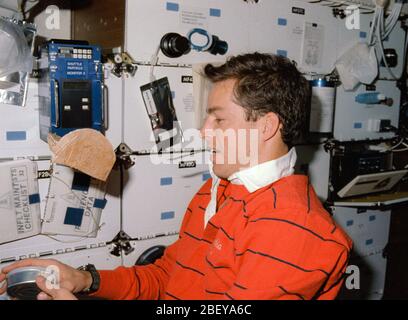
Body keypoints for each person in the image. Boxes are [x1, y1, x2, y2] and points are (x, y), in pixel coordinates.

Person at [0, 52, 352, 300]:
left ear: (266, 126)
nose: (202, 131)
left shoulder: (295, 229)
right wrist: (86, 280)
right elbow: (168, 278)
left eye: (218, 119)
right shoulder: (217, 190)